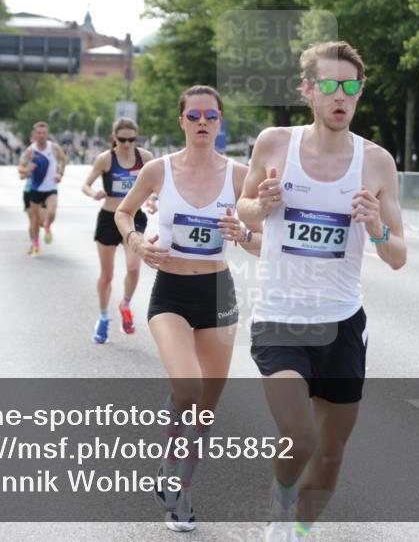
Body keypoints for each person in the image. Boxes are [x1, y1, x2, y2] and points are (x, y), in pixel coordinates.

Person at [237, 41, 406, 541]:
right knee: (300, 436)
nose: (341, 96)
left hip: (342, 323)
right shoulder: (273, 144)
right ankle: (281, 510)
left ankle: (300, 528)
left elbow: (397, 255)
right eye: (329, 85)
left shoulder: (376, 163)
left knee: (330, 457)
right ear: (307, 90)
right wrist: (259, 205)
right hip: (281, 317)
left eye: (350, 87)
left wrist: (375, 226)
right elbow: (243, 207)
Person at [115, 85, 262, 532]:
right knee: (188, 387)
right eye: (194, 115)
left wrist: (243, 234)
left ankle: (181, 486)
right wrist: (138, 242)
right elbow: (124, 213)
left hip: (218, 294)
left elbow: (262, 244)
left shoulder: (240, 176)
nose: (202, 122)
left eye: (211, 116)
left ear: (220, 123)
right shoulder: (158, 170)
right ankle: (179, 493)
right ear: (181, 120)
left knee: (203, 410)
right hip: (171, 294)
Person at [81, 118, 155, 341]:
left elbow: (156, 186)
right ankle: (103, 318)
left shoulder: (146, 158)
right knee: (107, 275)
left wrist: (152, 200)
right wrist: (93, 194)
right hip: (109, 218)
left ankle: (126, 304)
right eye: (122, 139)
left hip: (134, 217)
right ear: (114, 138)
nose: (127, 144)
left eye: (131, 139)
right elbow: (86, 184)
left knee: (133, 267)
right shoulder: (105, 159)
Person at [18, 122, 66, 257]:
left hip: (50, 188)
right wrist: (28, 170)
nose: (41, 136)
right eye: (38, 133)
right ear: (34, 135)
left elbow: (63, 160)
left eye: (44, 133)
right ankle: (35, 245)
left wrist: (59, 173)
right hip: (32, 189)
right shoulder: (29, 151)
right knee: (34, 220)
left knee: (51, 213)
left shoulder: (54, 147)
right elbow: (20, 170)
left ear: (47, 134)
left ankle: (47, 226)